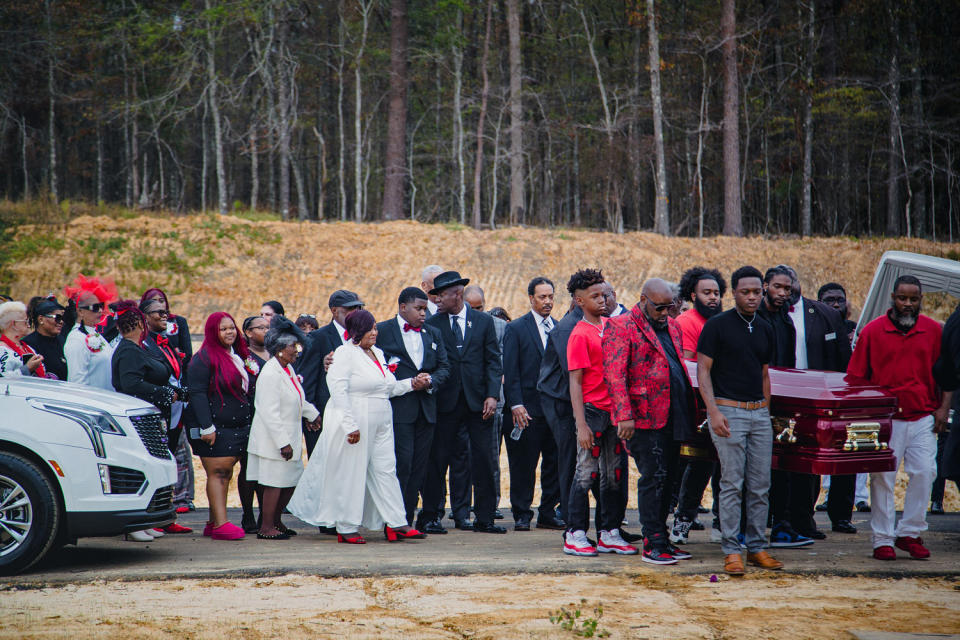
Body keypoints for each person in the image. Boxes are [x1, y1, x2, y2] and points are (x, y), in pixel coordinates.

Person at [289, 310, 430, 543]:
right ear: (356, 332)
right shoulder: (344, 354)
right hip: (355, 418)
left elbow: (387, 388)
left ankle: (396, 522)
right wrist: (349, 425)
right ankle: (346, 526)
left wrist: (412, 384)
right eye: (369, 329)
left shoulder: (378, 353)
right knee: (351, 472)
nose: (374, 332)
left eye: (375, 328)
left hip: (382, 418)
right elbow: (338, 390)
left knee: (386, 469)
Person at [847, 275, 948, 561]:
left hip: (922, 416)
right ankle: (882, 539)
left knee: (925, 473)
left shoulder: (933, 331)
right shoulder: (872, 331)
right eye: (902, 298)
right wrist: (862, 417)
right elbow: (855, 378)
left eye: (913, 299)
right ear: (893, 297)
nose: (907, 304)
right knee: (882, 479)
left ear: (920, 300)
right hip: (885, 419)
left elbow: (946, 373)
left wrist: (943, 408)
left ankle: (910, 533)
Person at [697, 265, 782, 575]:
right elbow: (703, 370)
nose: (752, 297)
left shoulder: (765, 327)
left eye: (757, 292)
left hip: (758, 412)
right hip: (727, 410)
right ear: (733, 293)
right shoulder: (717, 326)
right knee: (733, 482)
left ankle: (757, 547)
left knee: (761, 484)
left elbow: (764, 373)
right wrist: (713, 411)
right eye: (745, 292)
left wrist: (765, 412)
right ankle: (732, 550)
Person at [604, 278, 695, 565]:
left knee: (669, 478)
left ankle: (662, 538)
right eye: (659, 307)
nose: (666, 312)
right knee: (653, 478)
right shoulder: (621, 327)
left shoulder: (673, 326)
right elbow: (615, 376)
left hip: (674, 413)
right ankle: (652, 540)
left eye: (670, 307)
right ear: (643, 300)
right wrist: (624, 416)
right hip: (643, 418)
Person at [422, 271, 505, 534]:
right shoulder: (433, 324)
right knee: (438, 460)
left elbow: (493, 361)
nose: (435, 300)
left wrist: (492, 395)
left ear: (456, 294)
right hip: (445, 404)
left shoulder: (482, 321)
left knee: (483, 460)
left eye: (440, 296)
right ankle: (433, 515)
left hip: (479, 404)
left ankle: (484, 518)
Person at [777, 266, 854, 537]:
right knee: (778, 463)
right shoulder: (765, 313)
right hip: (776, 398)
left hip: (815, 399)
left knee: (809, 463)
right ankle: (778, 520)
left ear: (799, 283)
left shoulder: (825, 314)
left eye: (790, 284)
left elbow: (843, 360)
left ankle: (803, 520)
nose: (786, 290)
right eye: (779, 285)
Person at [562, 269, 634, 557]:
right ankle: (575, 533)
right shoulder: (579, 334)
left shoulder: (611, 326)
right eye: (595, 296)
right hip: (592, 413)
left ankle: (609, 532)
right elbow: (575, 382)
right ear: (580, 301)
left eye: (604, 294)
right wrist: (581, 424)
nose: (602, 300)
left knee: (613, 475)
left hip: (614, 413)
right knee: (586, 474)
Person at [110, 300, 190, 540]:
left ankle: (147, 520)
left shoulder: (136, 349)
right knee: (142, 468)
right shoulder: (128, 351)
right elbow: (131, 384)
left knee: (154, 468)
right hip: (139, 419)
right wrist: (166, 393)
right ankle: (135, 524)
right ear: (137, 323)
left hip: (153, 416)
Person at [375, 287, 450, 526]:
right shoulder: (383, 331)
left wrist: (430, 382)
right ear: (402, 307)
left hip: (426, 410)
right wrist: (406, 383)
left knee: (420, 469)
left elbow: (444, 367)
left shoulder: (433, 333)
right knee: (401, 466)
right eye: (418, 309)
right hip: (398, 410)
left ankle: (407, 520)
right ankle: (394, 522)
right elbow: (376, 365)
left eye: (425, 309)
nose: (423, 314)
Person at [754, 265, 815, 549]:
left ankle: (782, 526)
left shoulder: (787, 320)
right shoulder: (754, 317)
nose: (782, 293)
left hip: (782, 404)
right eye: (777, 287)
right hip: (754, 402)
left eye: (787, 289)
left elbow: (788, 366)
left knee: (783, 468)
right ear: (765, 285)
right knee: (752, 471)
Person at [186, 312, 258, 541]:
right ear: (212, 333)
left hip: (235, 424)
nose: (229, 332)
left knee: (226, 472)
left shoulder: (237, 355)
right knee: (219, 473)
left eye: (231, 328)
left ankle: (213, 521)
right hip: (213, 427)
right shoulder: (204, 358)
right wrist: (207, 426)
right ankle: (220, 524)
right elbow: (196, 393)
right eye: (223, 329)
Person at [246, 318, 320, 539]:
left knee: (290, 482)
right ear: (279, 349)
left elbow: (297, 398)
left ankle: (276, 521)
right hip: (273, 439)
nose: (297, 351)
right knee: (274, 483)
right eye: (293, 347)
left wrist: (312, 414)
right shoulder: (270, 373)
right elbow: (269, 412)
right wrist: (282, 442)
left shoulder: (286, 369)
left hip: (290, 436)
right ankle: (266, 526)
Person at [502, 277, 564, 532]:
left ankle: (548, 512)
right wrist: (516, 404)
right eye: (542, 297)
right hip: (526, 410)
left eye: (550, 296)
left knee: (555, 463)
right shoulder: (516, 328)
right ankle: (522, 514)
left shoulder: (559, 328)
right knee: (523, 465)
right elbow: (510, 370)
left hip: (555, 411)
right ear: (531, 299)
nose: (548, 301)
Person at [671, 267, 726, 544]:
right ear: (693, 295)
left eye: (717, 293)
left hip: (727, 402)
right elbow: (689, 366)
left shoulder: (727, 321)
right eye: (707, 293)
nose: (713, 298)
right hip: (699, 405)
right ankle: (683, 520)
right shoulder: (685, 321)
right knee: (699, 464)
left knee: (725, 467)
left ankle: (721, 521)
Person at [816, 282, 870, 516]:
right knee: (826, 448)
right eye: (830, 300)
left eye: (840, 299)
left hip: (852, 397)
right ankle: (828, 495)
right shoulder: (813, 328)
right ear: (819, 303)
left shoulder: (857, 329)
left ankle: (857, 500)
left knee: (855, 449)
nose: (836, 304)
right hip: (824, 395)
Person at [297, 290, 365, 458]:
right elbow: (307, 377)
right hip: (324, 414)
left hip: (355, 411)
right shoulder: (317, 337)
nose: (354, 313)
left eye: (358, 308)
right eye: (349, 309)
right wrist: (311, 414)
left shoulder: (361, 337)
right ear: (334, 311)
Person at [464, 284, 508, 521]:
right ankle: (464, 506)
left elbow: (501, 362)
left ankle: (491, 505)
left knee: (490, 455)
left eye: (480, 307)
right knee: (465, 457)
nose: (477, 312)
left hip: (493, 401)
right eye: (471, 308)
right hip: (466, 400)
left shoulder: (499, 326)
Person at [63, 274, 118, 390]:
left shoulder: (94, 334)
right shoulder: (76, 339)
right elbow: (77, 382)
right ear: (80, 311)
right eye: (95, 307)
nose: (101, 311)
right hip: (95, 403)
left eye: (102, 306)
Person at [22, 296, 67, 380]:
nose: (61, 322)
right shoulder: (28, 344)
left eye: (63, 318)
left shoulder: (63, 341)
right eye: (57, 318)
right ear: (41, 319)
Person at [0, 301, 46, 377]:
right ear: (14, 324)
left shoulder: (26, 347)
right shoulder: (2, 350)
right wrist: (27, 369)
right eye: (26, 321)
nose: (29, 325)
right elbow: (3, 380)